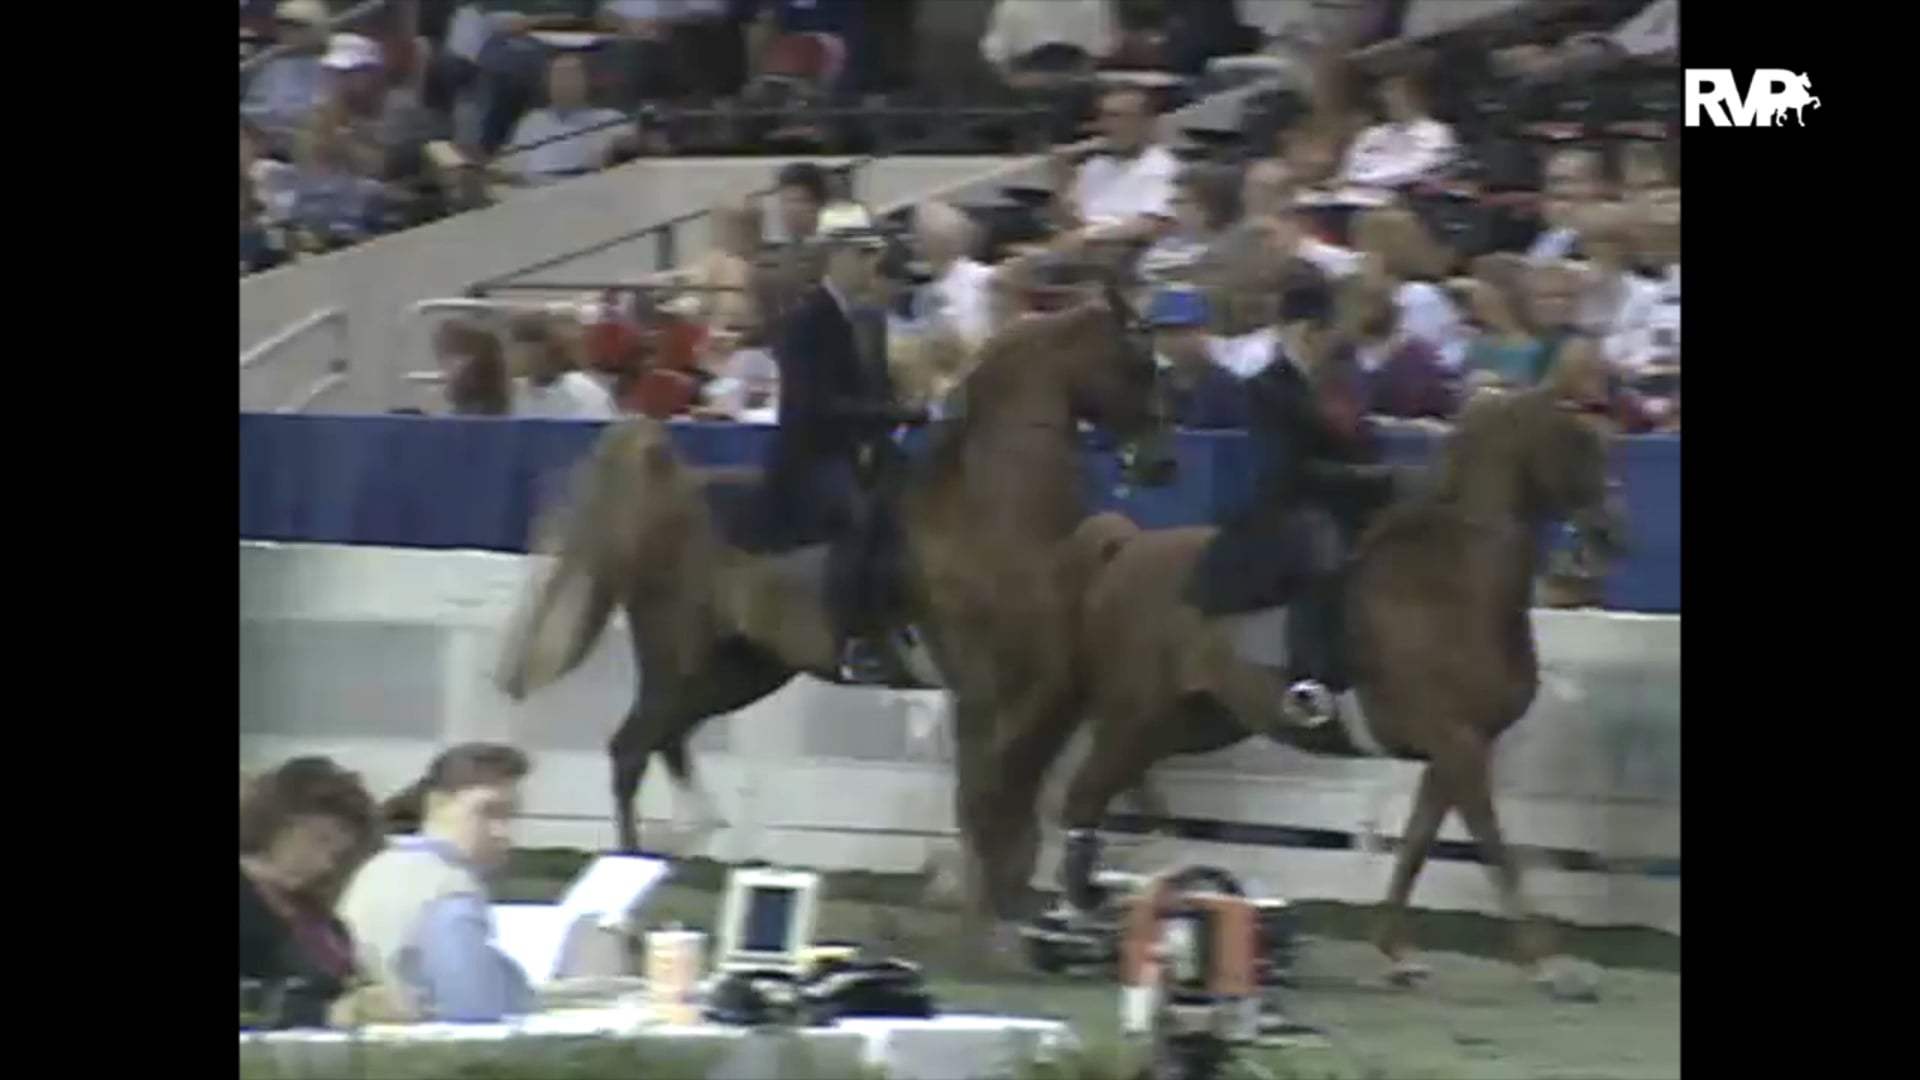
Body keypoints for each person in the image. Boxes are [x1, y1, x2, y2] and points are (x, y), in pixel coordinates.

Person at [1184, 262, 1408, 727]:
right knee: (1322, 553)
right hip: (1287, 507)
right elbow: (1287, 470)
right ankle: (1310, 681)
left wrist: (1386, 480)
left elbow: (1365, 444)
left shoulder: (1340, 386)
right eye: (1328, 333)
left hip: (1348, 501)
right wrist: (1373, 478)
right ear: (1309, 332)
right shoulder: (1267, 390)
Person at [760, 203, 928, 683]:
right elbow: (819, 406)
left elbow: (869, 390)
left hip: (862, 446)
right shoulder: (807, 322)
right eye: (861, 253)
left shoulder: (867, 320)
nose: (869, 263)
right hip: (813, 456)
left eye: (871, 254)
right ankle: (849, 637)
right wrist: (893, 415)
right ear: (835, 255)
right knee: (860, 514)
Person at [337, 743, 536, 1024]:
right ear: (437, 804)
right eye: (488, 812)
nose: (502, 832)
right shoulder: (450, 891)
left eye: (509, 816)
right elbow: (472, 1009)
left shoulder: (376, 867)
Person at [239, 757, 386, 1029]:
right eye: (320, 840)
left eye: (337, 853)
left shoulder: (320, 919)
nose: (326, 864)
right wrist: (321, 1014)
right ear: (274, 825)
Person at [1149, 287, 1247, 430]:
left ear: (1204, 331)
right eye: (1164, 332)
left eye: (1181, 332)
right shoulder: (1157, 385)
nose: (1172, 341)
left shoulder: (1227, 388)